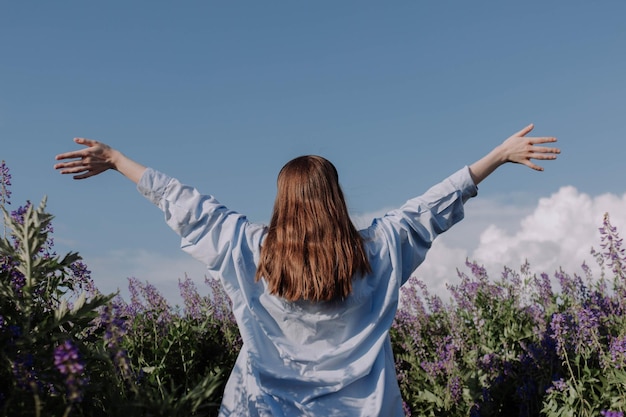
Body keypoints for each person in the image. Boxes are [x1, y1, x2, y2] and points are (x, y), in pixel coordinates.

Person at [54, 124, 559, 416]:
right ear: (335, 198)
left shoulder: (248, 251)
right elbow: (431, 206)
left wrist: (118, 160)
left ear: (282, 203)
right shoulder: (380, 250)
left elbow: (189, 205)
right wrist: (497, 156)